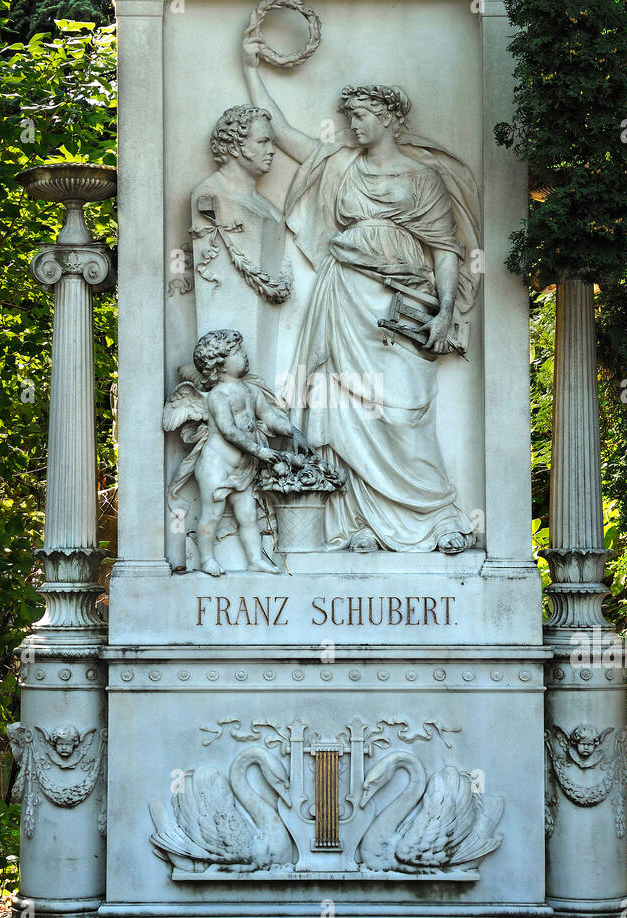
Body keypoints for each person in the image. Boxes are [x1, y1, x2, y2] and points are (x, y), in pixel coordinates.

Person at [242, 38, 480, 554]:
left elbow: (445, 249)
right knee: (344, 399)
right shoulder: (338, 164)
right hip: (345, 294)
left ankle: (435, 514)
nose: (353, 125)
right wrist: (251, 67)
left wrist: (443, 313)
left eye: (363, 116)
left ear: (391, 118)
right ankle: (359, 523)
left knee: (401, 408)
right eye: (349, 116)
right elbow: (282, 134)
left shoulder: (423, 178)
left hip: (403, 302)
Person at [163, 329, 312, 575]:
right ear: (219, 364)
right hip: (216, 466)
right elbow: (229, 431)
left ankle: (254, 559)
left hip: (242, 468)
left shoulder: (250, 391)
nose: (244, 356)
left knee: (248, 516)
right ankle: (207, 559)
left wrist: (294, 432)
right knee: (211, 515)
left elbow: (270, 417)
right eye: (237, 353)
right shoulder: (217, 396)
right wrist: (259, 451)